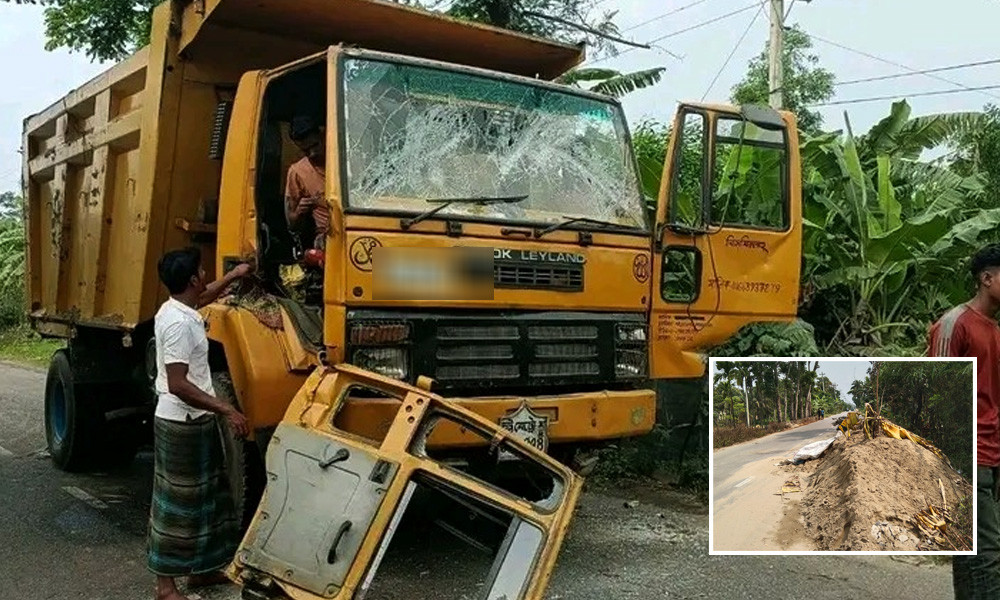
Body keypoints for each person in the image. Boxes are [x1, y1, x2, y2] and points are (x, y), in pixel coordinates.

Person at [147, 247, 252, 600]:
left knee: (210, 497)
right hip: (180, 424)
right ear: (192, 279)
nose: (206, 274)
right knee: (174, 506)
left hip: (197, 420)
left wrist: (235, 275)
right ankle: (165, 586)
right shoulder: (178, 324)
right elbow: (178, 384)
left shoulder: (180, 307)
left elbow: (206, 294)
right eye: (202, 271)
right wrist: (227, 409)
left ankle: (203, 571)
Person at [928, 243, 1000, 600]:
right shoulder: (955, 324)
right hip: (967, 453)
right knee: (986, 554)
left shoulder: (994, 331)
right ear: (987, 279)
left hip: (991, 453)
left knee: (973, 551)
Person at [285, 115, 328, 250]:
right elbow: (291, 224)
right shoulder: (297, 172)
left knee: (390, 269)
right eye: (305, 151)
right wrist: (299, 212)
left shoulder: (350, 159)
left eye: (315, 145)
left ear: (323, 134)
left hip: (363, 228)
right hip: (327, 239)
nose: (312, 153)